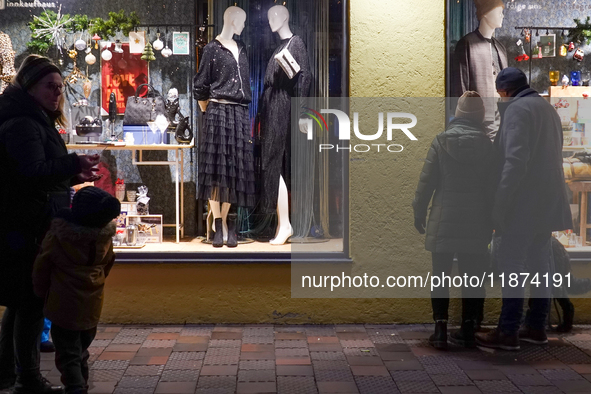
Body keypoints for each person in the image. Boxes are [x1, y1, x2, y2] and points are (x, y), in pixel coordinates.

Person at [0, 54, 100, 394]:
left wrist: (74, 170)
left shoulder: (32, 118)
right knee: (28, 303)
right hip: (26, 225)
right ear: (29, 86)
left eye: (60, 87)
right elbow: (31, 175)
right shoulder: (23, 123)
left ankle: (8, 373)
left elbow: (41, 171)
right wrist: (71, 163)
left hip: (28, 221)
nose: (57, 93)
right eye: (49, 86)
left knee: (20, 303)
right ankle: (27, 378)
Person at [475, 67, 572, 350]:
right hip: (547, 201)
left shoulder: (517, 111)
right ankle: (537, 326)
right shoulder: (546, 108)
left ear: (504, 91)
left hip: (524, 203)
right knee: (541, 264)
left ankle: (508, 331)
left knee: (512, 264)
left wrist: (500, 204)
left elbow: (515, 162)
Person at [413, 91, 494, 349]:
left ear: (458, 113)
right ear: (480, 115)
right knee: (474, 277)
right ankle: (469, 328)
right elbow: (493, 188)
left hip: (443, 220)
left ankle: (440, 330)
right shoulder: (488, 145)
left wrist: (418, 211)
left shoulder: (441, 141)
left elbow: (426, 183)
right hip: (477, 222)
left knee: (440, 276)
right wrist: (496, 219)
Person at [32, 186, 119, 394]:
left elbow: (42, 266)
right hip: (92, 305)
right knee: (81, 350)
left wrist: (41, 292)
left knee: (67, 352)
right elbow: (108, 263)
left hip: (63, 304)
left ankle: (75, 388)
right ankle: (82, 384)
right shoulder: (104, 238)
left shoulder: (60, 236)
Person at [193, 6, 256, 248]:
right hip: (217, 110)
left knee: (234, 170)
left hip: (239, 112)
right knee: (216, 171)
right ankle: (218, 225)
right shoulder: (211, 49)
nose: (243, 26)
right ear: (231, 20)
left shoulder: (241, 48)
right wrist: (207, 111)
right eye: (241, 21)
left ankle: (229, 223)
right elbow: (200, 85)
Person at [257, 4, 311, 245]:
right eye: (268, 16)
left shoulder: (295, 43)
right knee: (271, 163)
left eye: (274, 15)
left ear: (286, 16)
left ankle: (286, 223)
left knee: (274, 162)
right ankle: (282, 223)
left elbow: (304, 78)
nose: (270, 20)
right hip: (272, 106)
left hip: (282, 106)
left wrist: (302, 114)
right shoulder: (280, 46)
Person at [453, 0, 508, 140]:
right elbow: (461, 87)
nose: (502, 15)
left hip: (502, 117)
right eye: (498, 11)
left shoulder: (500, 48)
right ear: (485, 13)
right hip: (478, 121)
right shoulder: (467, 44)